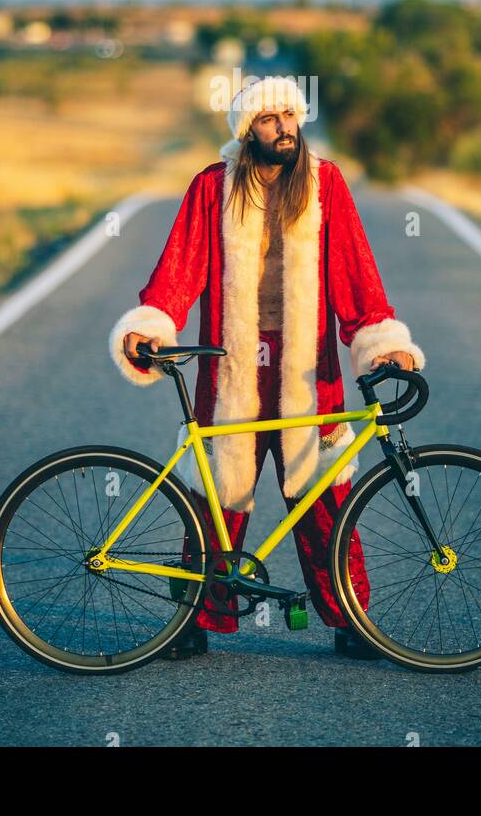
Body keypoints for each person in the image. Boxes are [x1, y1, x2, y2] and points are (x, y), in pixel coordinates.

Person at [109, 75, 425, 658]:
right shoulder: (212, 186)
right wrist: (148, 327)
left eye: (289, 116)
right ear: (246, 130)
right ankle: (193, 623)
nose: (282, 129)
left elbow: (355, 272)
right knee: (215, 496)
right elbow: (178, 272)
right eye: (267, 120)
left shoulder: (326, 182)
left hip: (309, 369)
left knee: (325, 494)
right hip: (231, 367)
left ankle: (349, 620)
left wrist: (382, 341)